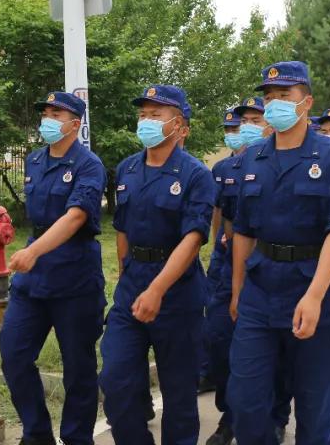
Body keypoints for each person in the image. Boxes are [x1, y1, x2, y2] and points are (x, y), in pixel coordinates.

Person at [227, 61, 330, 445]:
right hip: (261, 290)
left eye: (284, 96)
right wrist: (237, 291)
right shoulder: (253, 158)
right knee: (247, 403)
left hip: (313, 287)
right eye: (269, 98)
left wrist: (316, 295)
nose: (274, 105)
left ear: (307, 103)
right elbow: (243, 231)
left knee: (315, 410)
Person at [100, 85, 214, 445]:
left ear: (179, 125)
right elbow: (121, 230)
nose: (146, 121)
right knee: (116, 381)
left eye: (156, 114)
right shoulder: (127, 168)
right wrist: (126, 277)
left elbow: (193, 239)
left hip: (177, 295)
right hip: (133, 289)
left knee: (179, 394)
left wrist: (157, 289)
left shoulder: (195, 175)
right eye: (143, 114)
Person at [0, 92, 106, 445]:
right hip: (34, 280)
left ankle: (77, 438)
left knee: (78, 369)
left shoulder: (89, 165)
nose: (47, 118)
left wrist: (35, 252)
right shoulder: (34, 160)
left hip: (74, 275)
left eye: (55, 113)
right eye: (45, 112)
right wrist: (33, 252)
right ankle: (37, 434)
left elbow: (76, 216)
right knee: (13, 354)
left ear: (75, 124)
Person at [206, 98, 290, 445]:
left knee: (275, 349)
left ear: (270, 124)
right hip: (229, 266)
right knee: (219, 341)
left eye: (256, 119)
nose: (249, 127)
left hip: (271, 266)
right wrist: (215, 255)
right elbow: (223, 219)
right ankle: (230, 412)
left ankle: (276, 413)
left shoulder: (284, 165)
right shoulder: (226, 169)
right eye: (245, 122)